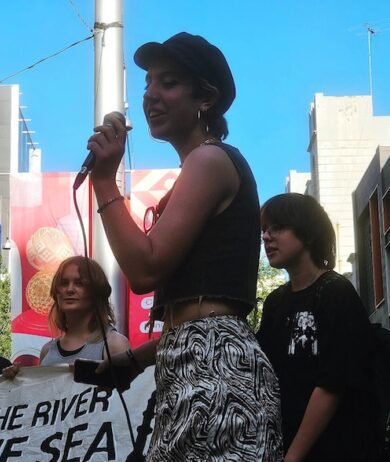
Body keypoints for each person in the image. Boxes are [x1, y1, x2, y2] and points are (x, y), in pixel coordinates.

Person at [85, 32, 282, 461]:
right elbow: (199, 310)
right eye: (148, 83)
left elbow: (145, 269)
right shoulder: (202, 167)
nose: (150, 95)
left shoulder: (209, 161)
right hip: (197, 364)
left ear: (205, 99)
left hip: (215, 371)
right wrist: (137, 359)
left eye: (168, 82)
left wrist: (104, 182)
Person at [257, 193, 377, 461]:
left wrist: (292, 457)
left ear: (308, 234)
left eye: (277, 227)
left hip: (338, 449)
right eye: (264, 230)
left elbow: (332, 385)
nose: (266, 237)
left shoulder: (336, 292)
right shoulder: (275, 303)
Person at [40, 256, 130, 365]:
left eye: (79, 283)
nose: (70, 289)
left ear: (96, 292)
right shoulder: (47, 351)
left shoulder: (115, 345)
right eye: (64, 283)